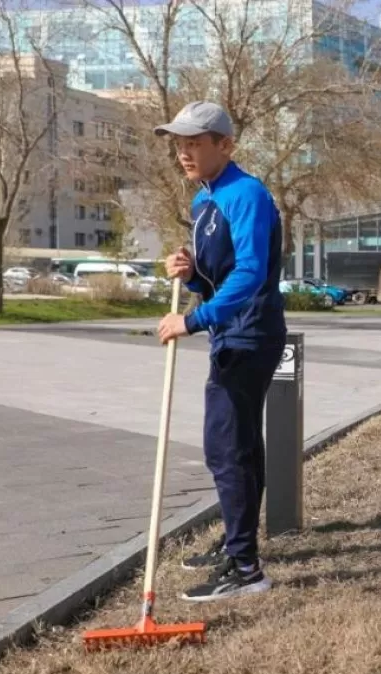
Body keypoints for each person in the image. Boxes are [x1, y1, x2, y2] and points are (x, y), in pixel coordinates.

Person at [155, 100, 288, 601]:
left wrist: (192, 320)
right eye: (179, 144)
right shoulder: (203, 201)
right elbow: (218, 277)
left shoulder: (246, 194)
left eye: (194, 142)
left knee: (226, 448)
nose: (184, 153)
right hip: (231, 335)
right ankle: (239, 543)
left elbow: (252, 275)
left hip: (250, 335)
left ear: (225, 145)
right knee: (240, 447)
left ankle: (246, 569)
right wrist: (191, 272)